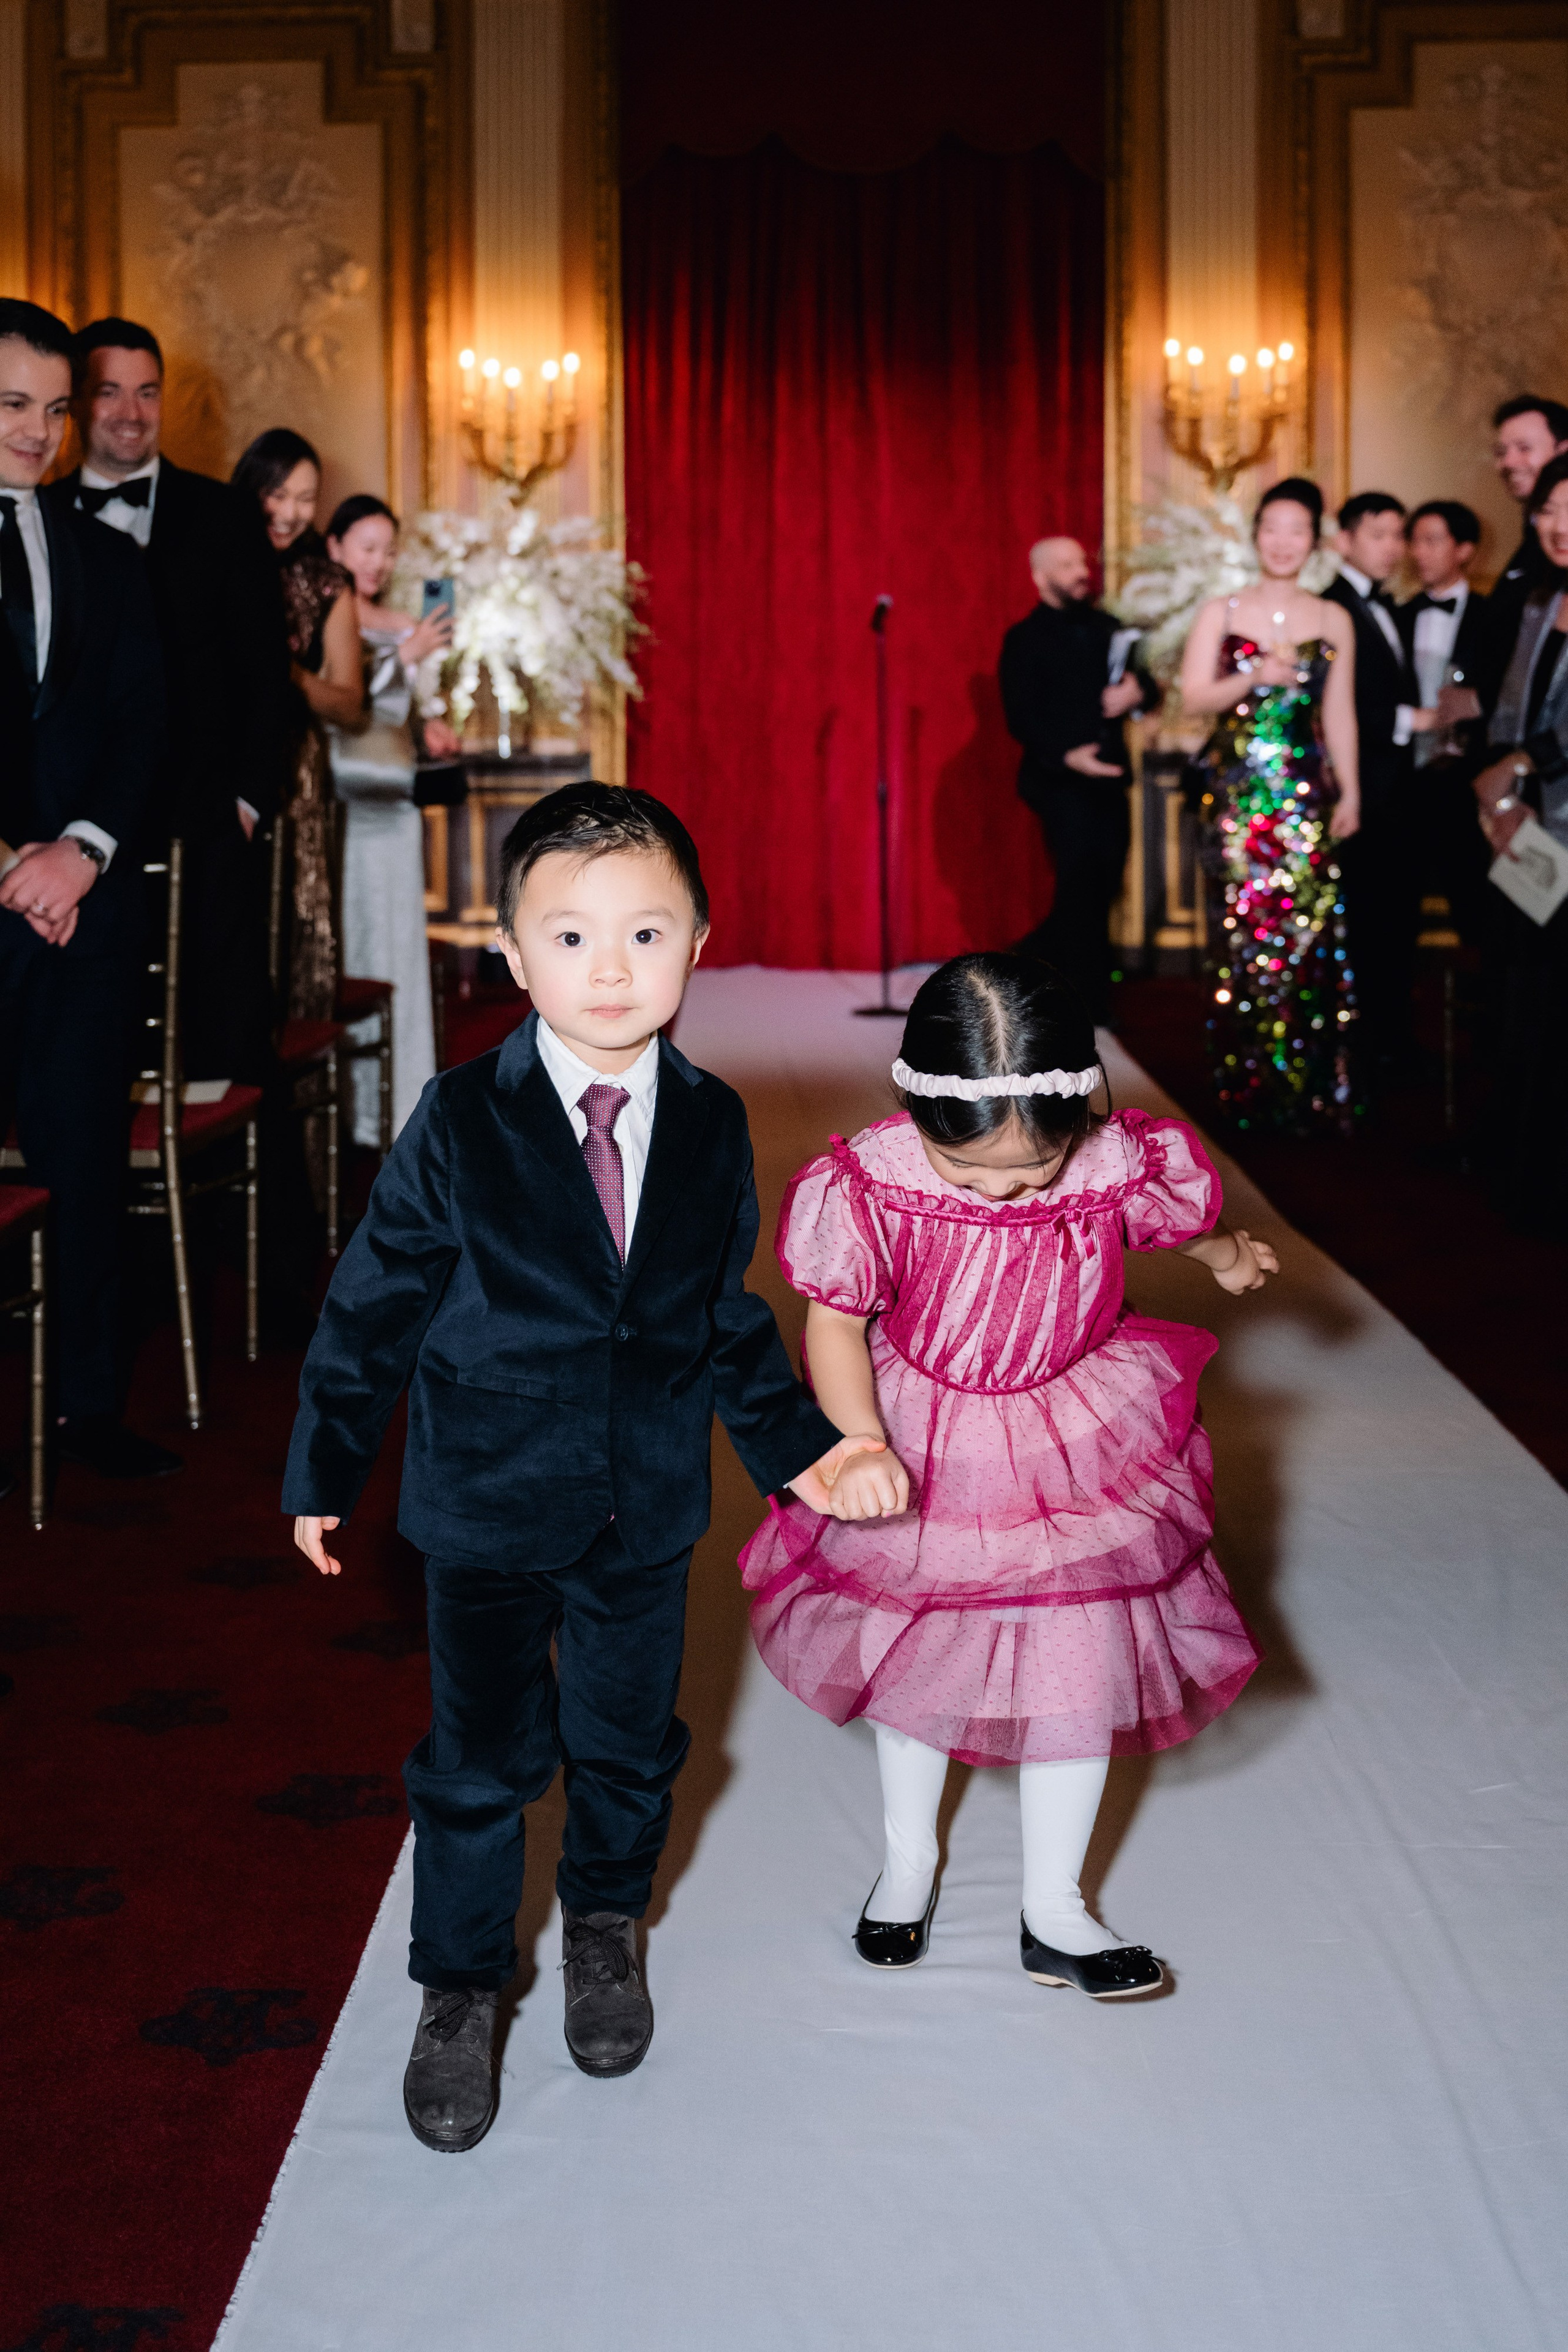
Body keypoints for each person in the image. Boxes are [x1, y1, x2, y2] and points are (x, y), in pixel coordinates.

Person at [283, 783, 856, 2150]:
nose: (611, 971)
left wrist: (796, 1454)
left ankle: (604, 1925)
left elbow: (721, 1312)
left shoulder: (714, 1123)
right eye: (574, 937)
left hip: (644, 1502)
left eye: (646, 935)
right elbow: (376, 1299)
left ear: (701, 940)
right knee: (478, 1763)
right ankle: (459, 1988)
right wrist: (326, 1459)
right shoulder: (460, 1120)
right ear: (512, 949)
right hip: (482, 1502)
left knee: (625, 1745)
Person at [739, 953, 1272, 1993]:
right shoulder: (873, 1185)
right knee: (922, 1650)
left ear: (1077, 1113)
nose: (1006, 1190)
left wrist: (1227, 1256)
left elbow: (1174, 1220)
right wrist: (857, 1443)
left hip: (1074, 1430)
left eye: (1031, 1170)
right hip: (923, 1431)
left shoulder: (1109, 1159)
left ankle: (1056, 1911)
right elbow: (837, 1326)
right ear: (916, 1111)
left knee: (1080, 1659)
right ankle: (908, 1862)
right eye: (973, 1173)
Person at [0, 298, 175, 1482]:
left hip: (85, 905)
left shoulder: (105, 553)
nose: (43, 432)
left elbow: (143, 726)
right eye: (16, 405)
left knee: (87, 1161)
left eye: (55, 409)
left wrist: (82, 849)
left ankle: (88, 1409)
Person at [53, 318, 291, 1082]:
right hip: (77, 830)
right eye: (110, 391)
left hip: (206, 827)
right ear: (78, 403)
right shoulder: (39, 519)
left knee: (223, 1052)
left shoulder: (224, 516)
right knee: (86, 1054)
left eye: (147, 391)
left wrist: (249, 800)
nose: (131, 411)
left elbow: (267, 676)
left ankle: (228, 1207)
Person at [1179, 478, 1360, 1131]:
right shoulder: (1219, 611)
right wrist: (1251, 676)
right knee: (1244, 940)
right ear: (1255, 535)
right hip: (1237, 801)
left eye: (1297, 530)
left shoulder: (1333, 617)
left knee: (1308, 935)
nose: (1283, 541)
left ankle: (1307, 1085)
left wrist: (1352, 790)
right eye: (1272, 528)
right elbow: (1193, 696)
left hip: (1307, 795)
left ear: (1313, 540)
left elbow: (1339, 715)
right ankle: (1246, 1084)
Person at [323, 494, 455, 1144]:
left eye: (388, 550)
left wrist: (431, 727)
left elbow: (398, 716)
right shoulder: (323, 616)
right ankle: (345, 1106)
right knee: (346, 941)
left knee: (398, 946)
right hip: (340, 804)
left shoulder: (404, 622)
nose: (378, 561)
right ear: (336, 547)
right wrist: (402, 659)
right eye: (367, 547)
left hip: (395, 804)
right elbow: (334, 709)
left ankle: (399, 1103)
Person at [230, 429, 363, 1023]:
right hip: (217, 761)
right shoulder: (212, 557)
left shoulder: (324, 580)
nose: (290, 512)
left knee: (292, 923)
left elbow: (351, 706)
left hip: (294, 775)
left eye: (306, 498)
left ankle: (297, 1105)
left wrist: (285, 673)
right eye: (278, 493)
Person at [998, 536, 1158, 1022]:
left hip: (1109, 777)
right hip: (1061, 781)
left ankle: (1030, 961)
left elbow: (1146, 685)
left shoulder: (1111, 629)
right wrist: (1069, 756)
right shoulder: (1024, 638)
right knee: (1080, 882)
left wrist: (1136, 692)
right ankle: (1085, 1003)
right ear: (1040, 578)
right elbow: (1020, 716)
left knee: (1105, 881)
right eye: (1066, 565)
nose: (1080, 571)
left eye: (1081, 562)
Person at [1471, 451, 1568, 1231]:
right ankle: (1519, 1166)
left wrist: (1525, 769)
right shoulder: (1540, 601)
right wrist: (1499, 797)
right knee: (1521, 996)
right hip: (1523, 835)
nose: (1557, 526)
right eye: (1546, 510)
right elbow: (1508, 711)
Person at [1321, 491, 1437, 1080]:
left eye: (1399, 535)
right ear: (1344, 540)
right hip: (1360, 793)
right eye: (1379, 535)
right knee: (1368, 927)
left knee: (1393, 924)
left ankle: (1389, 1041)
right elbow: (1335, 704)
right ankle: (1370, 1050)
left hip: (1397, 795)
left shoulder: (1391, 606)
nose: (1394, 548)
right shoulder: (1331, 606)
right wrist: (1410, 719)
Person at [1397, 499, 1490, 947]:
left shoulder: (1496, 618)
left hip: (1468, 784)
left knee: (1477, 907)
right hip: (1405, 783)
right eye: (1414, 540)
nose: (1419, 553)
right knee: (1397, 910)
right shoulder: (1397, 616)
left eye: (1432, 541)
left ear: (1465, 549)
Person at [1471, 395, 1568, 718]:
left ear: (1563, 450)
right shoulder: (1532, 542)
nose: (1509, 463)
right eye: (1501, 452)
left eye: (1524, 449)